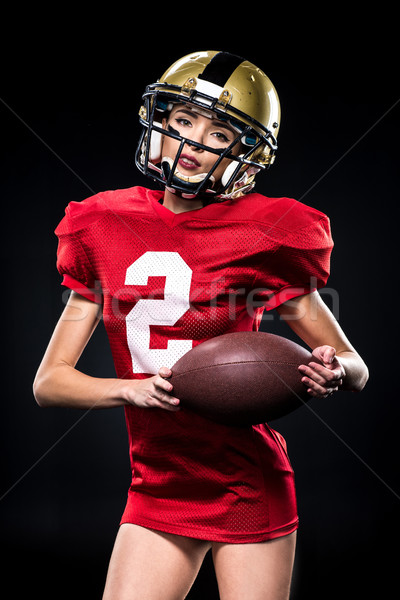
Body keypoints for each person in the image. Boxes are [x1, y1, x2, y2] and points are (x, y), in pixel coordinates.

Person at [33, 51, 369, 600]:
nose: (192, 143)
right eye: (183, 121)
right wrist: (131, 390)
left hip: (246, 485)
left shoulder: (267, 233)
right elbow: (48, 383)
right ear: (159, 123)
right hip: (158, 484)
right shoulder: (101, 224)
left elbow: (357, 368)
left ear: (245, 151)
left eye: (218, 132)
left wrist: (334, 373)